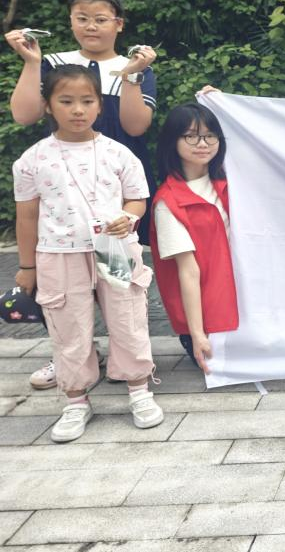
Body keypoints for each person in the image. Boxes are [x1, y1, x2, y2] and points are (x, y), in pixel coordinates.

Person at [5, 0, 158, 391]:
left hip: (115, 193)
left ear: (118, 24)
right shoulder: (53, 63)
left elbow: (136, 126)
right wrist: (31, 63)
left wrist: (132, 75)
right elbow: (24, 115)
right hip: (63, 194)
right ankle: (72, 358)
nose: (92, 26)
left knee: (120, 283)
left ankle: (130, 365)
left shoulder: (136, 66)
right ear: (70, 20)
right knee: (64, 284)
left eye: (101, 19)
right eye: (82, 18)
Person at [13, 65, 163, 442]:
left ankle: (139, 390)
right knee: (68, 326)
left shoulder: (119, 153)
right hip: (58, 252)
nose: (78, 110)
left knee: (127, 316)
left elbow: (137, 199)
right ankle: (76, 401)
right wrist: (27, 266)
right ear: (48, 105)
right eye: (66, 101)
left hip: (113, 248)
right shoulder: (32, 159)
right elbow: (27, 215)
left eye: (87, 101)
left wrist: (129, 218)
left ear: (100, 105)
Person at [151, 102, 238, 374]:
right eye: (191, 136)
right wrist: (198, 334)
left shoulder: (231, 182)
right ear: (172, 141)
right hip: (208, 320)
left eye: (210, 135)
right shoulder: (168, 202)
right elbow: (188, 272)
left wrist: (222, 103)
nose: (203, 144)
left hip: (245, 307)